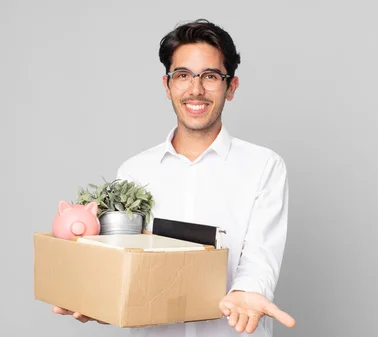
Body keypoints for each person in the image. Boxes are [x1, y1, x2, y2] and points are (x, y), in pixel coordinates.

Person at [52, 19, 296, 336]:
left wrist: (244, 294)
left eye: (210, 76)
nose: (196, 89)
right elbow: (122, 259)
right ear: (167, 86)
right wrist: (101, 299)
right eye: (183, 76)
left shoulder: (264, 166)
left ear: (231, 87)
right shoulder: (133, 171)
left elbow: (261, 256)